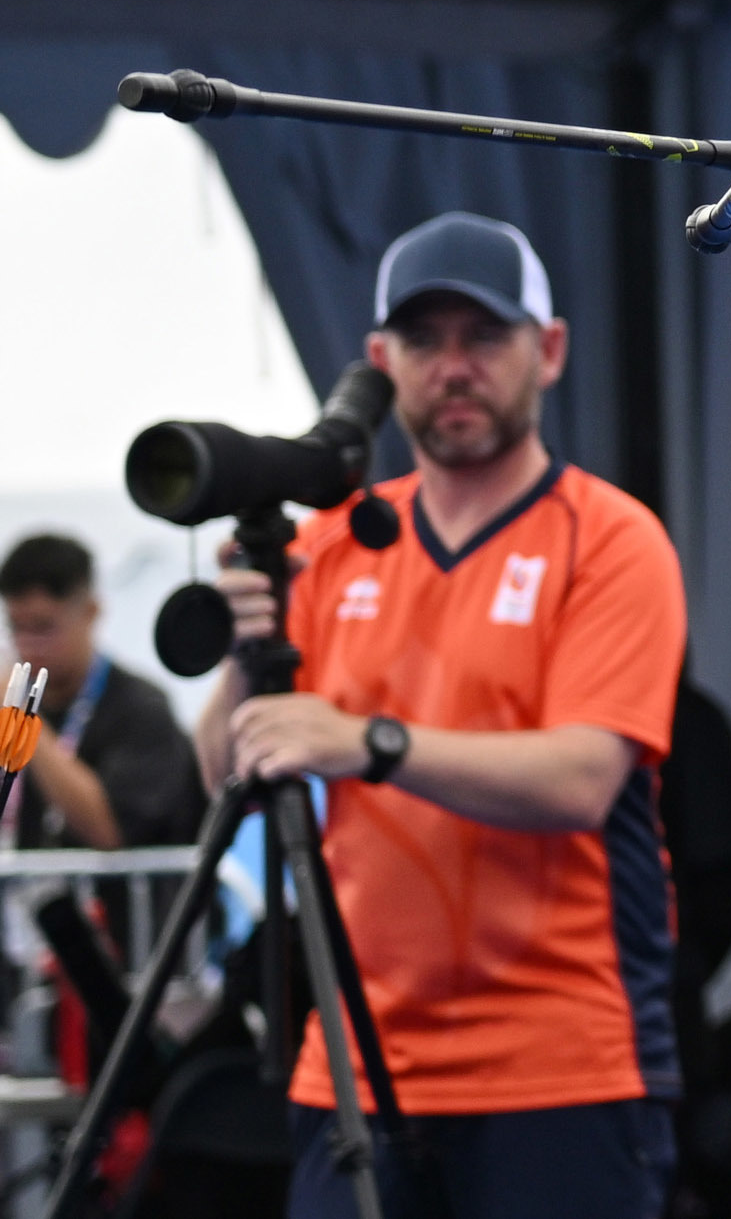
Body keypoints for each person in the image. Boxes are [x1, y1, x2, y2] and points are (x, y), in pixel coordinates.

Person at [199, 211, 690, 1219]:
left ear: (549, 349)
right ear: (381, 362)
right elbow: (223, 773)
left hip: (561, 1066)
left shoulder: (610, 538)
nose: (453, 366)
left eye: (485, 335)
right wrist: (244, 655)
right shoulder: (328, 545)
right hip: (352, 1063)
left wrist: (368, 743)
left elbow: (581, 779)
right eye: (423, 340)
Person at [3, 531, 204, 996]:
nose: (28, 644)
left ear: (90, 612)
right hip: (26, 958)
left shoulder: (141, 709)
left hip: (130, 965)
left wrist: (23, 723)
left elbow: (110, 830)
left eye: (44, 626)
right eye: (16, 627)